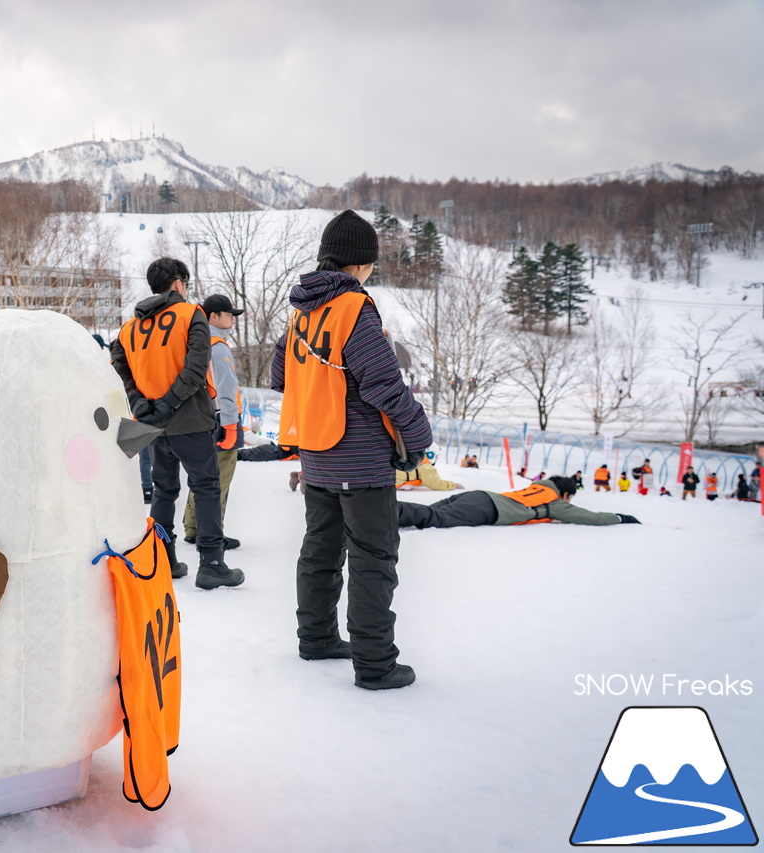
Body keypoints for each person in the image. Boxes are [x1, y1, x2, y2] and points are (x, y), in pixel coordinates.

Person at [271, 209, 432, 691]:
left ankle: (317, 638)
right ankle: (376, 663)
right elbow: (385, 385)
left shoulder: (301, 311)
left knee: (320, 550)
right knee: (372, 558)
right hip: (360, 459)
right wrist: (418, 437)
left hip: (316, 452)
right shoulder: (354, 308)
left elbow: (281, 376)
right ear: (361, 264)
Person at [111, 257, 243, 590]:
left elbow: (119, 367)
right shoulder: (190, 314)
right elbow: (197, 367)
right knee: (206, 487)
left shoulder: (129, 328)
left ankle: (163, 560)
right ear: (179, 283)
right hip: (190, 418)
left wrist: (141, 403)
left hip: (150, 424)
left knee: (163, 490)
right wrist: (169, 403)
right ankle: (212, 563)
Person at [183, 293, 245, 551]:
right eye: (228, 314)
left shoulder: (193, 341)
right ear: (213, 317)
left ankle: (193, 527)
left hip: (202, 416)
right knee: (220, 477)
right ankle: (212, 532)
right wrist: (231, 425)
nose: (232, 318)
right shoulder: (217, 346)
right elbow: (226, 388)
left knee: (203, 475)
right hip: (222, 419)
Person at [398, 475, 640, 529]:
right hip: (489, 508)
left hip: (479, 496)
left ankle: (390, 516)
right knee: (438, 519)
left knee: (428, 512)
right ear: (566, 494)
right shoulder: (556, 502)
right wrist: (620, 518)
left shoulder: (538, 487)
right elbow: (591, 518)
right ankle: (388, 512)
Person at [395, 451, 460, 490]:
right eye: (436, 457)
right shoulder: (425, 466)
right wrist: (453, 485)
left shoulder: (413, 461)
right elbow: (435, 484)